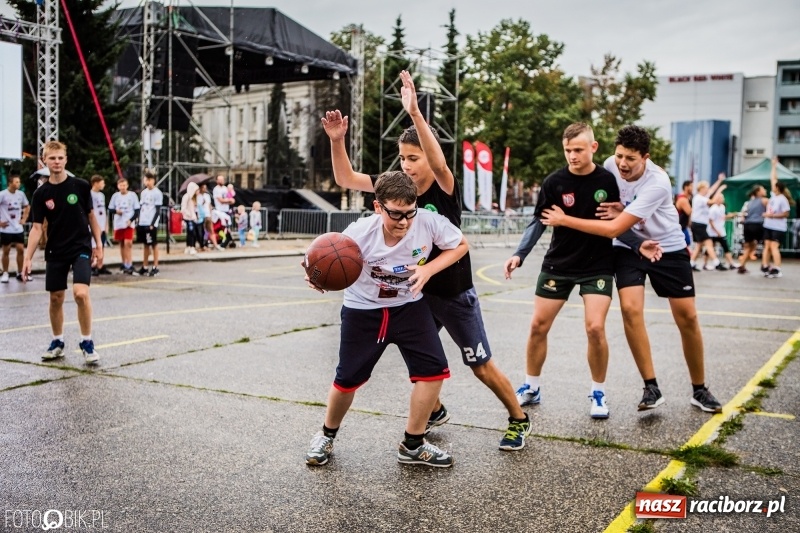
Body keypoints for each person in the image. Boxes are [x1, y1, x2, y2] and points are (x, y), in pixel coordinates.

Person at [321, 70, 532, 451]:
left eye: (413, 158)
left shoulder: (443, 187)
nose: (406, 165)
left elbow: (440, 166)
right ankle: (430, 416)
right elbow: (346, 177)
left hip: (452, 293)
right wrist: (337, 141)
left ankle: (519, 418)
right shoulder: (396, 189)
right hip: (416, 297)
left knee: (479, 364)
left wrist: (415, 113)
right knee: (425, 365)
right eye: (402, 158)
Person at [540, 125, 723, 414]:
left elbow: (614, 226)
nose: (623, 164)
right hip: (629, 248)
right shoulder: (611, 166)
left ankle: (699, 389)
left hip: (668, 246)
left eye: (631, 159)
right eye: (620, 156)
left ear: (645, 158)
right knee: (630, 309)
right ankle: (651, 386)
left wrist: (567, 220)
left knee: (687, 317)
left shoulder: (658, 182)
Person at [304, 171, 468, 468]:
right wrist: (315, 276)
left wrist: (429, 269)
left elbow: (460, 245)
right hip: (364, 310)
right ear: (378, 207)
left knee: (433, 372)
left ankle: (413, 444)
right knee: (347, 379)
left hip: (409, 306)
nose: (404, 222)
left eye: (409, 213)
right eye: (395, 214)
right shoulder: (358, 234)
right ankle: (327, 434)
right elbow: (317, 261)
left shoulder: (428, 222)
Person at [504, 122, 620, 419]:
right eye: (568, 150)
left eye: (578, 150)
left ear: (593, 148)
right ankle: (532, 386)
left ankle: (598, 392)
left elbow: (616, 223)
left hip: (598, 264)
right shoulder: (554, 182)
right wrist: (520, 255)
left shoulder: (607, 180)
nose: (572, 155)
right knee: (537, 326)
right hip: (559, 262)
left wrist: (641, 242)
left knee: (595, 328)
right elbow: (538, 222)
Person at [22, 141, 103, 364]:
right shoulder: (41, 194)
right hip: (56, 249)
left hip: (81, 248)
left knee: (81, 293)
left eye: (60, 158)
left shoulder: (81, 185)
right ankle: (57, 342)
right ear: (44, 161)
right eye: (52, 158)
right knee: (56, 298)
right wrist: (27, 257)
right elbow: (37, 228)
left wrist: (99, 245)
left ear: (66, 160)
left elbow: (91, 217)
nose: (56, 162)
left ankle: (87, 342)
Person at [762, 157, 794, 278]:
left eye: (774, 186)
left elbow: (786, 214)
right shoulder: (773, 196)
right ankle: (765, 266)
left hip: (778, 227)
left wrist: (771, 215)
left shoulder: (782, 199)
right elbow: (773, 178)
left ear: (778, 188)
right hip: (768, 225)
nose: (772, 186)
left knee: (774, 246)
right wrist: (774, 166)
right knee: (767, 246)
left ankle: (777, 268)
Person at [689, 176, 726, 271]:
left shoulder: (701, 197)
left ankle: (691, 263)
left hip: (699, 224)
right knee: (709, 243)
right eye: (706, 188)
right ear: (701, 188)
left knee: (699, 245)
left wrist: (719, 181)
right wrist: (720, 190)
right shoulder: (699, 198)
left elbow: (712, 190)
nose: (707, 190)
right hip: (699, 224)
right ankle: (716, 262)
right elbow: (713, 201)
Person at [0, 174, 31, 283]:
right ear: (10, 183)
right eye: (16, 182)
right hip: (6, 229)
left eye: (19, 182)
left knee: (21, 250)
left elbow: (27, 206)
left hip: (18, 228)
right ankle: (5, 273)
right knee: (6, 250)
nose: (18, 184)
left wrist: (24, 219)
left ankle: (20, 272)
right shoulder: (3, 195)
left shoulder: (21, 194)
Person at [108, 177, 140, 275]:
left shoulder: (132, 195)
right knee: (121, 243)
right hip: (119, 223)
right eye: (121, 185)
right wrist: (116, 211)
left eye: (124, 185)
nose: (122, 187)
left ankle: (129, 263)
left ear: (127, 186)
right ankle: (124, 262)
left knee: (128, 243)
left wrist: (131, 220)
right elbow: (110, 209)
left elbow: (137, 210)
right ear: (118, 186)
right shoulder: (115, 196)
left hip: (128, 223)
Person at [137, 171, 164, 276]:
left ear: (153, 180)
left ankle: (155, 266)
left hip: (151, 222)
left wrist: (152, 223)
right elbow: (141, 207)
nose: (147, 182)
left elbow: (157, 210)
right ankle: (144, 266)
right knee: (145, 244)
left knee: (153, 244)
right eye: (146, 180)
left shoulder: (157, 193)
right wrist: (139, 220)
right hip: (143, 221)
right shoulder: (144, 193)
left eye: (149, 180)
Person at [737, 184, 767, 274]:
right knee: (768, 245)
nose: (765, 190)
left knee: (749, 246)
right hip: (758, 224)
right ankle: (764, 265)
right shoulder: (764, 201)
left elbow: (743, 213)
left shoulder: (749, 202)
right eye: (763, 189)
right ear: (758, 192)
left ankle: (742, 266)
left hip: (747, 225)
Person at [706, 193, 738, 270]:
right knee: (710, 248)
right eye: (721, 198)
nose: (723, 199)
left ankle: (731, 263)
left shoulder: (722, 207)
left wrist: (733, 214)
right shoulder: (713, 209)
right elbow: (710, 221)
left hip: (721, 231)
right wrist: (717, 231)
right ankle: (705, 264)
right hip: (713, 232)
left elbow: (723, 216)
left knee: (725, 247)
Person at [89, 175, 112, 276]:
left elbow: (103, 210)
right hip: (95, 225)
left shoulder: (101, 195)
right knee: (94, 246)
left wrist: (106, 225)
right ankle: (93, 264)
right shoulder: (90, 194)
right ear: (96, 183)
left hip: (102, 224)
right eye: (102, 183)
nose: (104, 185)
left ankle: (100, 264)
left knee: (102, 245)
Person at [180, 182, 199, 254]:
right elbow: (183, 208)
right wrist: (190, 215)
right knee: (191, 233)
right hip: (188, 218)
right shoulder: (187, 197)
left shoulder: (193, 198)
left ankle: (190, 246)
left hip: (193, 218)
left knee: (192, 233)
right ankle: (190, 246)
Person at [675, 180, 693, 246]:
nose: (692, 188)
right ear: (686, 187)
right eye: (691, 186)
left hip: (683, 227)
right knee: (686, 243)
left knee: (687, 243)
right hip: (680, 227)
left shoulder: (686, 198)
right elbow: (689, 212)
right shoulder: (683, 199)